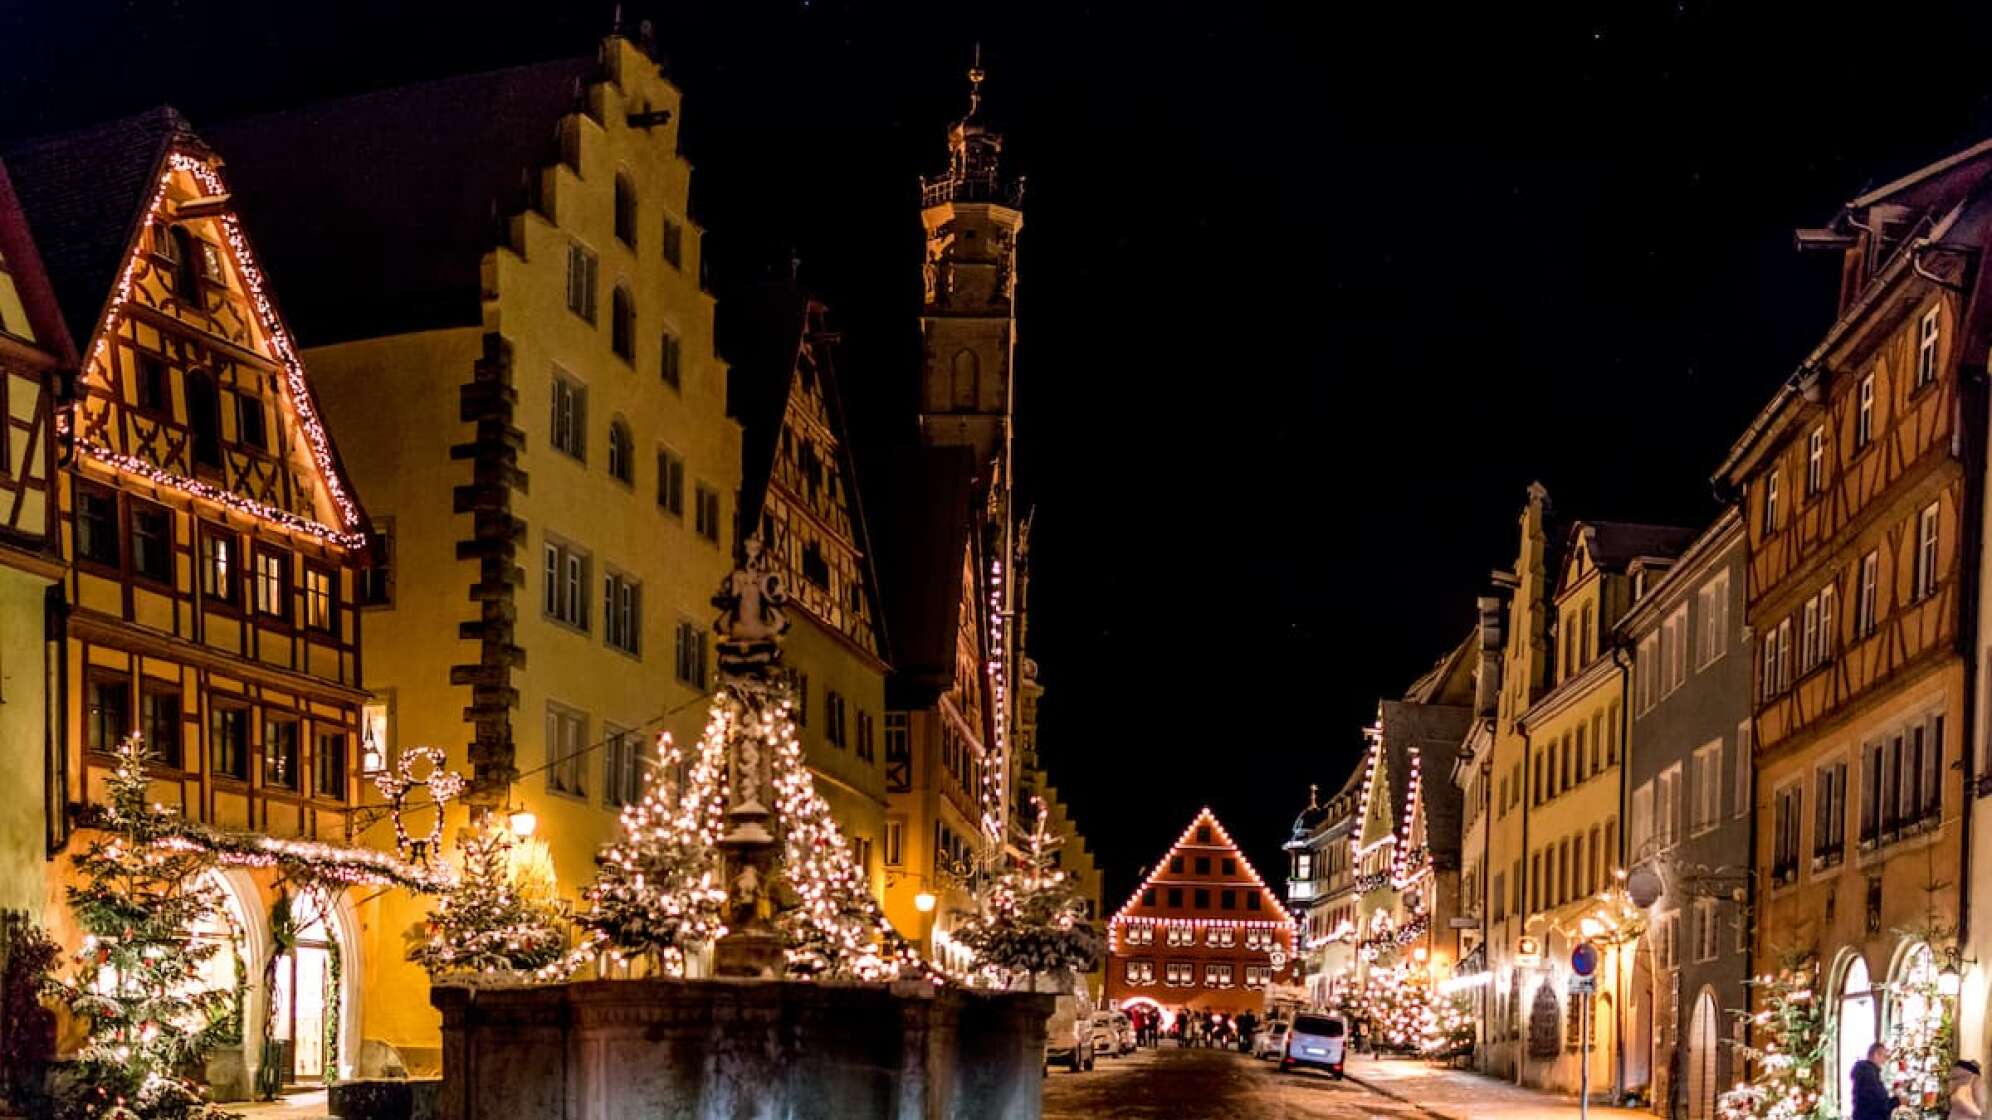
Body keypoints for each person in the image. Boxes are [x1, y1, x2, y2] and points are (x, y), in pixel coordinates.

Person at [1851, 1043, 1898, 1120]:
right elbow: (1879, 1105)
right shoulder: (1868, 1074)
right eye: (1884, 1057)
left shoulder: (1866, 1072)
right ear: (1876, 1055)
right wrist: (1897, 1100)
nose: (1884, 1061)